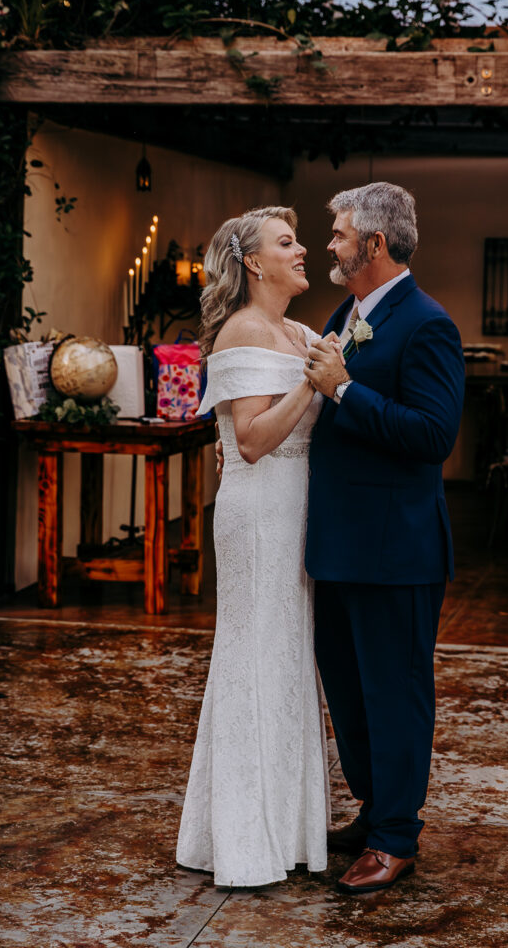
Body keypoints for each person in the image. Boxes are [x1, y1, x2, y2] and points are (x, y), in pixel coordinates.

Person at [304, 182, 464, 893]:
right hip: (339, 543)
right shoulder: (349, 311)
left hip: (396, 550)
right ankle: (374, 810)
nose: (328, 245)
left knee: (395, 693)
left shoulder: (426, 323)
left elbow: (433, 436)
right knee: (350, 691)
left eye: (338, 234)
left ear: (372, 243)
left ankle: (397, 834)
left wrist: (342, 389)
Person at [176, 206, 333, 887]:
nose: (301, 252)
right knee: (252, 655)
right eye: (286, 242)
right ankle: (242, 840)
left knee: (288, 656)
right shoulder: (243, 328)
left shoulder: (300, 330)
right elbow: (250, 440)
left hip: (298, 509)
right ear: (252, 263)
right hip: (258, 510)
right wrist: (312, 381)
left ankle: (286, 831)